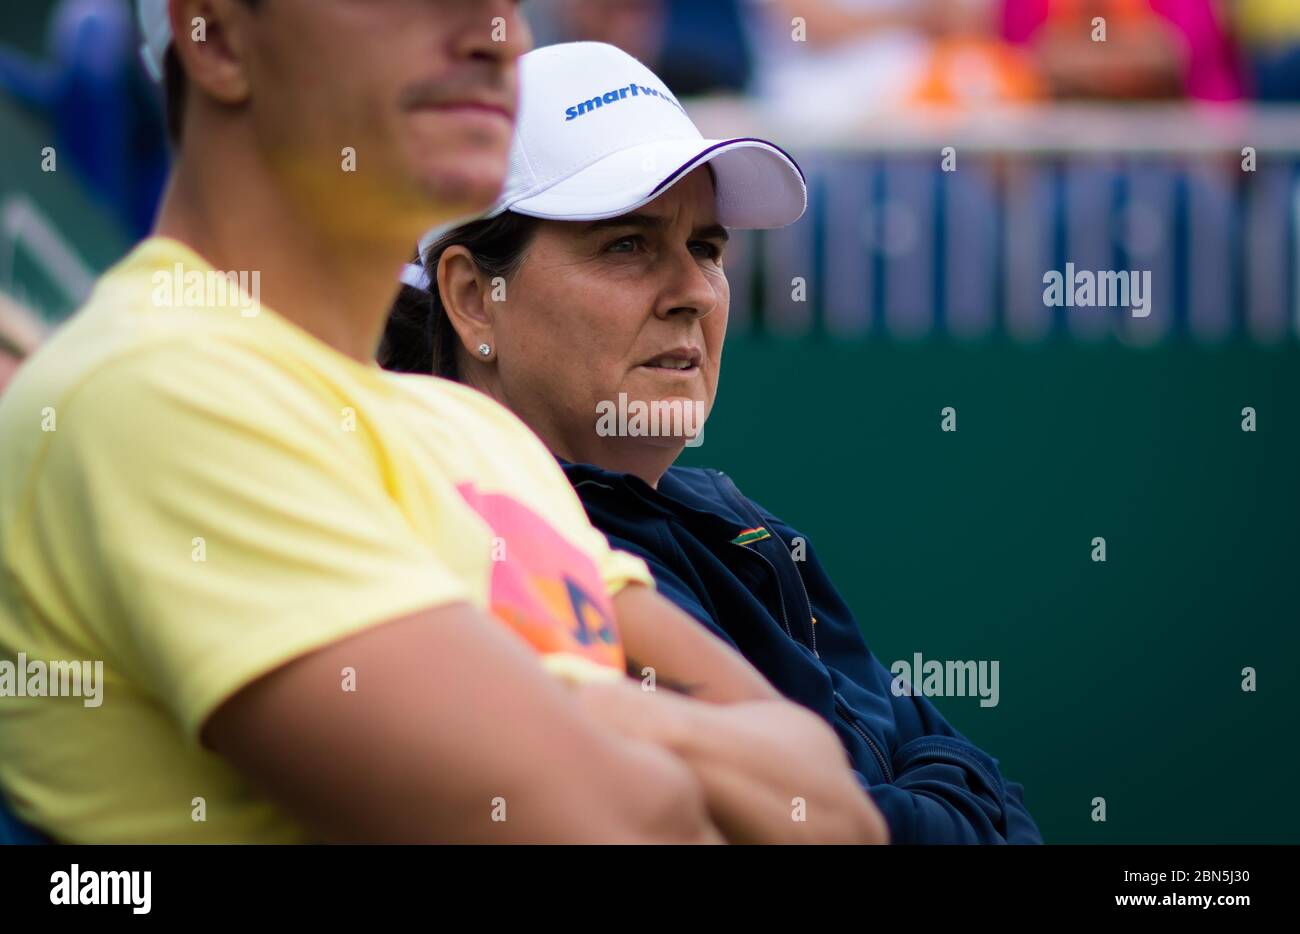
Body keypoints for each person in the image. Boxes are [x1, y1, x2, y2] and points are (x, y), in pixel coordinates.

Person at [0, 1, 886, 844]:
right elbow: (616, 824)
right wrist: (615, 727)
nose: (496, 33)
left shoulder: (480, 433)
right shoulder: (158, 391)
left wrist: (566, 712)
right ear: (220, 38)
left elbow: (836, 810)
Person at [384, 40, 1042, 843]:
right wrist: (933, 789)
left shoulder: (737, 521)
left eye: (707, 247)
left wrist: (928, 789)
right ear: (472, 300)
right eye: (627, 244)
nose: (695, 291)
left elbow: (989, 803)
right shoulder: (491, 556)